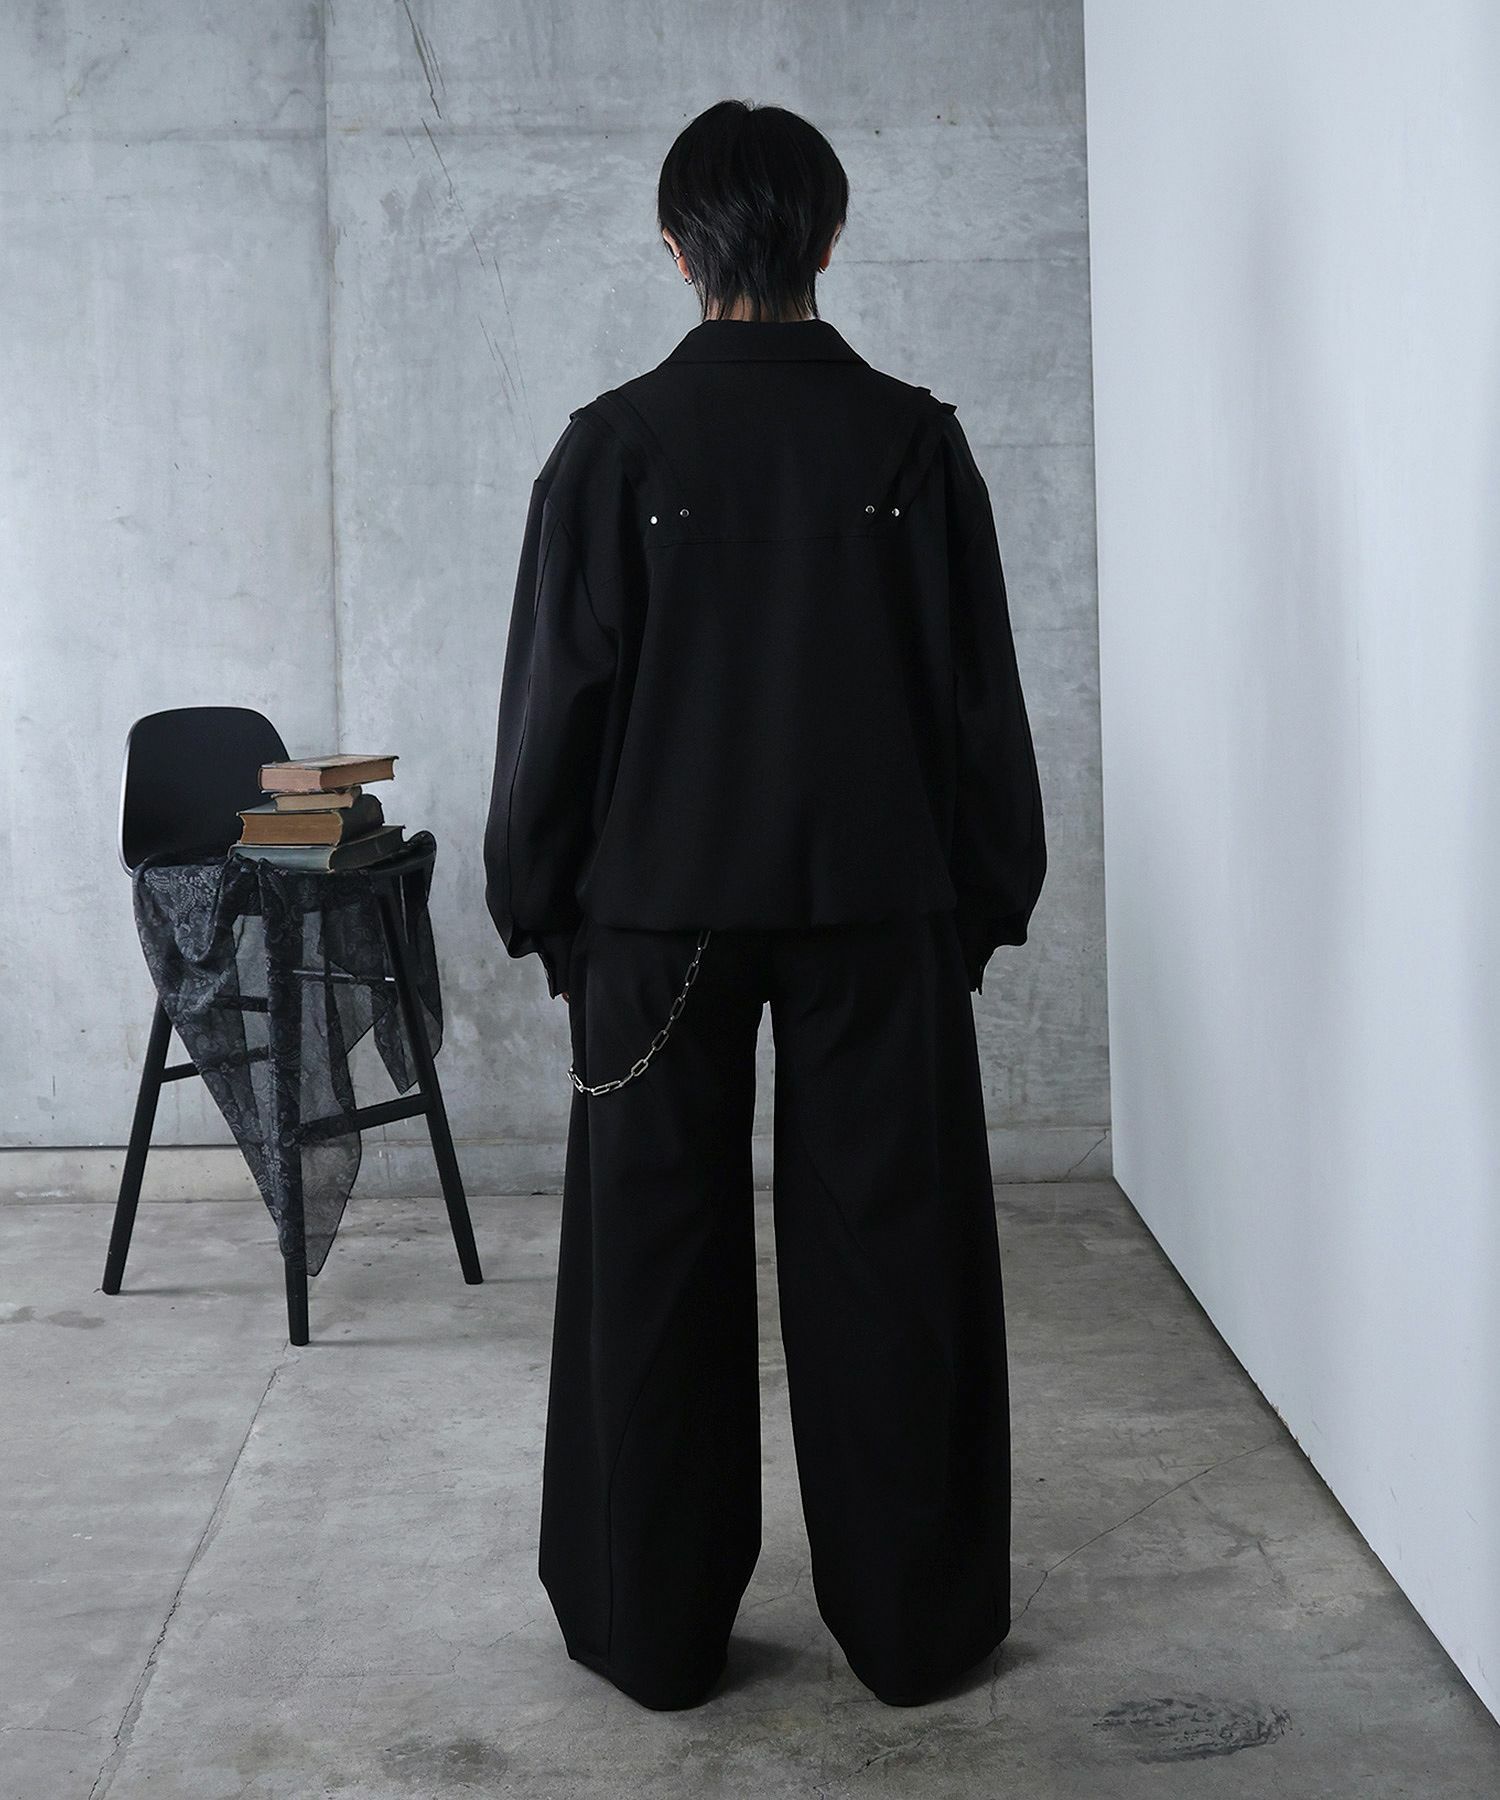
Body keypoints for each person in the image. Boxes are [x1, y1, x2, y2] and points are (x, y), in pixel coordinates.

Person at [483, 98, 1047, 1713]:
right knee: (897, 1259)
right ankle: (916, 1626)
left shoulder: (612, 447)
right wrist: (979, 901)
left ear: (676, 248)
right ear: (831, 237)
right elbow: (975, 705)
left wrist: (546, 907)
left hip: (655, 923)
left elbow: (557, 705)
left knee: (649, 1271)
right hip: (879, 909)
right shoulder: (914, 443)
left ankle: (649, 1630)